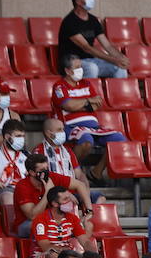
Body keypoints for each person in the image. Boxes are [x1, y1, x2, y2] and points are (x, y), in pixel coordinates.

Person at [51, 53, 126, 182]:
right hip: (71, 126)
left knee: (119, 139)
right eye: (77, 67)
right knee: (86, 140)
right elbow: (68, 105)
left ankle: (96, 172)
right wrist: (87, 102)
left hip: (94, 127)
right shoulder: (59, 86)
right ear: (67, 71)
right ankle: (71, 171)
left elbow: (97, 104)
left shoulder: (86, 83)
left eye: (81, 66)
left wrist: (80, 104)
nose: (81, 70)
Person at [13, 153, 92, 238]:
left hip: (50, 220)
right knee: (47, 226)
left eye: (47, 168)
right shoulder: (22, 186)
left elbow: (80, 185)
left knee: (85, 225)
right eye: (42, 170)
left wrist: (89, 212)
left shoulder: (51, 177)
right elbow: (32, 216)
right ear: (32, 172)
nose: (46, 172)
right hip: (26, 224)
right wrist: (48, 192)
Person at [59, 0, 128, 79]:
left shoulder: (93, 20)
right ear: (78, 1)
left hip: (91, 60)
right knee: (92, 68)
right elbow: (86, 47)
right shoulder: (69, 22)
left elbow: (107, 45)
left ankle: (117, 89)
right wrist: (112, 59)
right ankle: (87, 89)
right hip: (73, 62)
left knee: (119, 68)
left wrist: (121, 58)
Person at [32, 186, 93, 258]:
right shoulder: (40, 220)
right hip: (43, 256)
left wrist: (93, 256)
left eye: (69, 198)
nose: (70, 202)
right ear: (55, 203)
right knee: (54, 256)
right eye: (65, 199)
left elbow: (85, 241)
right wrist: (65, 252)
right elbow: (45, 246)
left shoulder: (73, 218)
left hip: (67, 255)